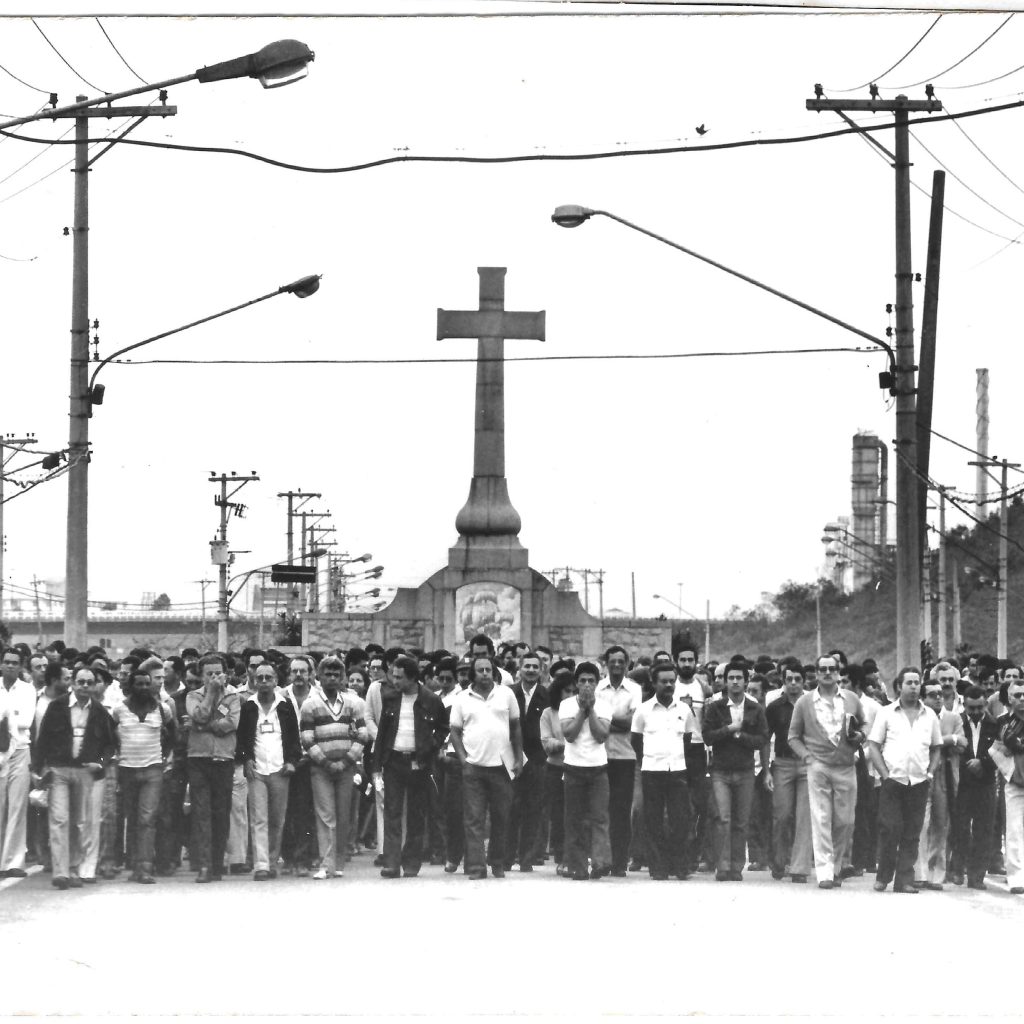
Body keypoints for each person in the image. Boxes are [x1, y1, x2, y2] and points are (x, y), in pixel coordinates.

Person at [32, 667, 116, 889]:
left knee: (80, 822)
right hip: (59, 769)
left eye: (89, 682)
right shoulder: (57, 706)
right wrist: (38, 769)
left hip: (84, 772)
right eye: (81, 682)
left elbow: (110, 743)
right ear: (73, 684)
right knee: (59, 818)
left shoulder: (98, 711)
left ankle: (74, 868)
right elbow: (43, 739)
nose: (85, 686)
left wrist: (100, 762)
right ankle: (61, 872)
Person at [787, 653, 865, 889]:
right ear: (817, 673)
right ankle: (825, 872)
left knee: (845, 820)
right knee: (820, 818)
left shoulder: (851, 699)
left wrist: (860, 736)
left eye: (832, 669)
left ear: (838, 671)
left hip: (845, 765)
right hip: (818, 765)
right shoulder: (804, 702)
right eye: (823, 669)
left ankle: (838, 864)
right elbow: (793, 737)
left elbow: (864, 725)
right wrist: (808, 757)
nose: (828, 673)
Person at [867, 666, 943, 894]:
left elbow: (937, 747)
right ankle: (884, 876)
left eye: (916, 682)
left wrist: (929, 773)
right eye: (908, 682)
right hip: (893, 781)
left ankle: (905, 880)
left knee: (912, 832)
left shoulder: (929, 715)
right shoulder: (887, 712)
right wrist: (884, 774)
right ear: (899, 686)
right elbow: (873, 745)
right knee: (890, 829)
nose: (913, 686)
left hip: (919, 782)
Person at [449, 654, 523, 880]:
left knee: (501, 816)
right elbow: (454, 731)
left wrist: (518, 758)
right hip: (474, 767)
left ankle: (497, 862)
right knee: (474, 819)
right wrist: (463, 760)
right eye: (480, 670)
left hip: (501, 766)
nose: (484, 674)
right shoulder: (462, 698)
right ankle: (476, 867)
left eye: (488, 670)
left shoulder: (506, 694)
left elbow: (516, 726)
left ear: (494, 672)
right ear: (473, 673)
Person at [373, 654, 445, 878]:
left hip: (419, 762)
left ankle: (412, 861)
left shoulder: (431, 699)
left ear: (413, 678)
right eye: (393, 676)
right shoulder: (390, 697)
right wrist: (376, 766)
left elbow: (443, 728)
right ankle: (391, 862)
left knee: (416, 814)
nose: (394, 681)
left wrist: (430, 747)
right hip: (394, 760)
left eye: (399, 677)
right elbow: (383, 733)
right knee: (392, 812)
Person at [300, 656, 367, 880]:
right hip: (321, 768)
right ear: (319, 676)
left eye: (336, 675)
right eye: (327, 674)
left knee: (343, 815)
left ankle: (338, 864)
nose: (331, 678)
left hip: (346, 767)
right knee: (325, 815)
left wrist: (347, 761)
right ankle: (325, 864)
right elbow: (307, 739)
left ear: (342, 678)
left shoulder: (353, 704)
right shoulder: (310, 705)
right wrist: (326, 762)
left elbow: (363, 736)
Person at [703, 662, 768, 881]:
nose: (734, 681)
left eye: (739, 678)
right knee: (723, 818)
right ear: (725, 680)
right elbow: (707, 736)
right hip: (721, 770)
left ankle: (736, 866)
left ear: (746, 681)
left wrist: (742, 737)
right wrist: (728, 730)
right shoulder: (715, 707)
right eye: (731, 677)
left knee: (741, 821)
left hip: (745, 771)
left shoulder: (755, 708)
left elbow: (762, 739)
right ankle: (722, 865)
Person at [236, 662, 301, 881]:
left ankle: (273, 861)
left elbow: (293, 737)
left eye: (268, 678)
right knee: (259, 818)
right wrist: (246, 760)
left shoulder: (285, 705)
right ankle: (261, 864)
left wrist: (292, 761)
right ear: (253, 681)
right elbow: (242, 738)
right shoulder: (248, 706)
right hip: (257, 772)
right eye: (259, 678)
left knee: (277, 819)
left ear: (275, 681)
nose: (263, 682)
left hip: (280, 769)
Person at [630, 662, 694, 880]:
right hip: (652, 771)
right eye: (663, 681)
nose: (668, 685)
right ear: (654, 683)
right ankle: (658, 868)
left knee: (680, 820)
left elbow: (687, 740)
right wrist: (649, 759)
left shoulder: (685, 710)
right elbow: (636, 740)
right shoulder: (643, 710)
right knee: (653, 820)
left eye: (671, 681)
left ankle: (680, 866)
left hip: (677, 770)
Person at [111, 668, 175, 884]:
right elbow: (111, 735)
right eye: (139, 684)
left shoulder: (162, 709)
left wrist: (164, 756)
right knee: (132, 818)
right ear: (131, 686)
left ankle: (146, 867)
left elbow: (172, 735)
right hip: (127, 770)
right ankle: (135, 866)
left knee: (147, 819)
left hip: (152, 770)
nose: (144, 688)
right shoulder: (119, 710)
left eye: (147, 684)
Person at [186, 653, 242, 883]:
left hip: (223, 759)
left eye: (218, 673)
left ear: (226, 674)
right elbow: (197, 713)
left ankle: (218, 864)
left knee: (221, 813)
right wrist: (209, 694)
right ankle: (204, 865)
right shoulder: (193, 696)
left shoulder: (233, 698)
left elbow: (230, 724)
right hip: (199, 759)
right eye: (209, 674)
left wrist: (202, 726)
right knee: (201, 813)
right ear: (202, 676)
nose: (214, 677)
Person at [559, 661, 613, 881]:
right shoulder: (566, 705)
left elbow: (601, 735)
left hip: (598, 768)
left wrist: (591, 710)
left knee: (600, 818)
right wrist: (582, 709)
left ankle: (600, 862)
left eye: (591, 681)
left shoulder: (606, 704)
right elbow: (569, 734)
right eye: (583, 681)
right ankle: (577, 866)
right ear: (576, 683)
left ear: (597, 683)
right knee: (574, 819)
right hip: (573, 768)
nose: (587, 685)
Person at [914, 676, 965, 890]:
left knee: (941, 824)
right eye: (932, 695)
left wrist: (949, 741)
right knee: (920, 823)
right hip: (922, 772)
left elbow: (962, 743)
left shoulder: (952, 718)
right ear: (923, 698)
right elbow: (921, 742)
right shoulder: (917, 717)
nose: (938, 698)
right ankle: (919, 872)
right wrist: (948, 739)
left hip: (945, 774)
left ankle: (936, 873)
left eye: (940, 694)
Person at [765, 663, 812, 883]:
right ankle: (779, 860)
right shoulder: (775, 707)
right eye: (789, 679)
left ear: (804, 681)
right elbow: (766, 739)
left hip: (806, 764)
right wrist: (766, 770)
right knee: (781, 815)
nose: (793, 683)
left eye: (797, 679)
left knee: (804, 816)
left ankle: (800, 867)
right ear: (783, 682)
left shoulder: (812, 705)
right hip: (782, 763)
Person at [597, 645, 642, 877]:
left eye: (620, 661)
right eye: (612, 661)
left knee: (621, 812)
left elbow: (632, 723)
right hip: (600, 757)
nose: (616, 665)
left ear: (627, 664)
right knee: (601, 810)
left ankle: (620, 862)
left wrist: (605, 719)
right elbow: (592, 722)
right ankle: (603, 859)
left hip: (625, 757)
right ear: (606, 663)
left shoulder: (635, 690)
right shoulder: (596, 688)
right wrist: (615, 721)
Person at [949, 685, 998, 889]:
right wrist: (968, 764)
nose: (976, 712)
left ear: (986, 704)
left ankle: (977, 875)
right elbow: (951, 751)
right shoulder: (957, 721)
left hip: (986, 783)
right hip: (963, 784)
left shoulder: (995, 724)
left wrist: (983, 763)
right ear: (965, 705)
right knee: (960, 828)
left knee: (984, 829)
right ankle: (958, 869)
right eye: (972, 708)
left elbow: (1001, 751)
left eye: (980, 707)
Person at [506, 651, 549, 872]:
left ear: (541, 670)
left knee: (533, 809)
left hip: (538, 759)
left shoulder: (547, 695)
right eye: (527, 666)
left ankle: (526, 858)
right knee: (510, 807)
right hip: (512, 757)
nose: (531, 670)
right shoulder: (509, 693)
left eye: (535, 666)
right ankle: (506, 856)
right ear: (519, 669)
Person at [674, 645, 712, 874]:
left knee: (700, 806)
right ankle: (679, 855)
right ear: (676, 661)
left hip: (698, 750)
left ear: (696, 662)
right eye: (682, 659)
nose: (686, 664)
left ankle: (695, 854)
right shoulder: (670, 684)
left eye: (690, 660)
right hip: (676, 748)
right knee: (680, 806)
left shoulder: (702, 687)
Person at [281, 656, 318, 875]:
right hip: (286, 761)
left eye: (302, 671)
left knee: (306, 810)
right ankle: (288, 857)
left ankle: (305, 857)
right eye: (294, 671)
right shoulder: (280, 697)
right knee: (287, 810)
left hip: (312, 759)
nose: (298, 676)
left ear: (310, 674)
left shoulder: (318, 697)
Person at [0, 648, 35, 878]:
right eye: (6, 662)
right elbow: (17, 718)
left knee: (17, 807)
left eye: (14, 663)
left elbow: (27, 720)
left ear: (21, 666)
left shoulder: (27, 689)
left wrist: (5, 717)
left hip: (21, 751)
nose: (10, 666)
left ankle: (12, 862)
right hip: (0, 752)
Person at [540, 667, 574, 875]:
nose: (570, 695)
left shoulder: (582, 711)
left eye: (573, 691)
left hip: (577, 768)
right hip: (555, 767)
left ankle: (575, 856)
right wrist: (568, 742)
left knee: (576, 814)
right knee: (559, 815)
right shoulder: (548, 714)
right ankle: (561, 856)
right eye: (566, 691)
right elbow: (547, 743)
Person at [992, 677, 1024, 894]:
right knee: (1013, 830)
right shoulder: (1003, 721)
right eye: (1017, 695)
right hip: (1015, 781)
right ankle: (1016, 877)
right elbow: (997, 748)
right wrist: (1008, 770)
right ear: (1009, 699)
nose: (1022, 699)